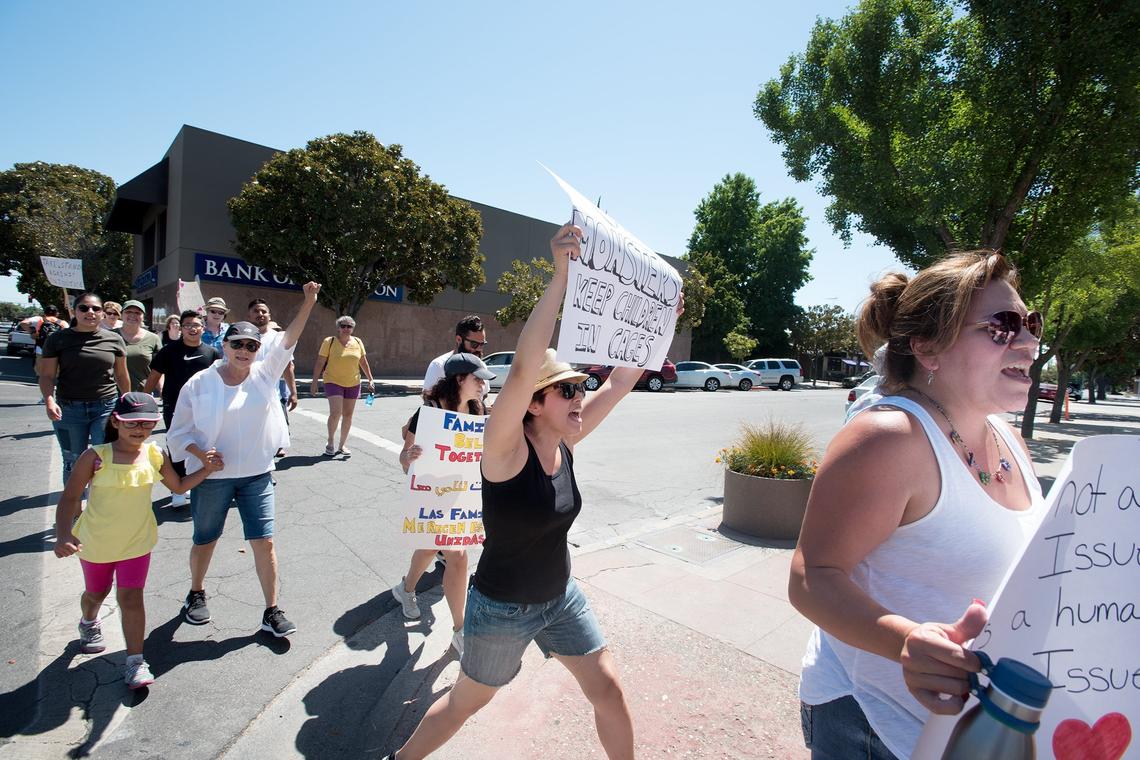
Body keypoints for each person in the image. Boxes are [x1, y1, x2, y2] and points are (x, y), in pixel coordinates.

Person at [391, 225, 678, 760]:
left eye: (579, 387)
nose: (580, 396)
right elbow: (524, 367)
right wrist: (561, 277)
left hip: (561, 597)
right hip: (502, 610)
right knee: (464, 705)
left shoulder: (567, 436)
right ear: (533, 403)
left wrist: (657, 323)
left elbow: (618, 381)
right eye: (567, 390)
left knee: (608, 690)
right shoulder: (503, 450)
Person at [790, 251, 1047, 760]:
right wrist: (906, 641)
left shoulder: (1008, 436)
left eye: (1031, 324)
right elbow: (811, 576)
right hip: (875, 725)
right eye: (1003, 326)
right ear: (928, 348)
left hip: (976, 730)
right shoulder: (890, 438)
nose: (1030, 342)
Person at [166, 282, 321, 637]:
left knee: (264, 542)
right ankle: (195, 593)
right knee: (205, 539)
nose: (245, 351)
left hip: (257, 476)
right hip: (212, 478)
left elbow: (290, 339)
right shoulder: (200, 384)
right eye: (238, 344)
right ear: (225, 345)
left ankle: (271, 610)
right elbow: (178, 433)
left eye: (252, 345)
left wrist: (309, 301)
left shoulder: (265, 375)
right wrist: (200, 455)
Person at [53, 392, 222, 689]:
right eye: (132, 422)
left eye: (147, 423)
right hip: (96, 542)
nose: (139, 429)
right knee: (97, 593)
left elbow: (179, 485)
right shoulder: (95, 457)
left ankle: (135, 661)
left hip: (136, 542)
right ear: (116, 421)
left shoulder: (155, 454)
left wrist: (206, 469)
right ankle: (89, 621)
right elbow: (69, 497)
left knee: (131, 598)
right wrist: (64, 534)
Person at [392, 352, 494, 658]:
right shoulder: (429, 412)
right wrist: (408, 458)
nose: (482, 386)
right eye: (477, 380)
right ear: (460, 379)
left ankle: (406, 590)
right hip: (432, 494)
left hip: (463, 496)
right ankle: (460, 629)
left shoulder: (478, 412)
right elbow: (404, 458)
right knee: (456, 556)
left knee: (433, 550)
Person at [39, 292, 131, 482]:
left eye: (96, 308)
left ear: (102, 313)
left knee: (105, 459)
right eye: (84, 308)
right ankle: (74, 509)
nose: (90, 312)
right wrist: (49, 400)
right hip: (68, 410)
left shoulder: (114, 340)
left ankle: (98, 507)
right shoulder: (57, 340)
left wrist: (127, 401)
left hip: (105, 409)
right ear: (74, 311)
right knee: (73, 462)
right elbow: (47, 375)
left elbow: (121, 375)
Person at [144, 310, 220, 507]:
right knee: (177, 445)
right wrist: (144, 401)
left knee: (203, 444)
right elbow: (153, 377)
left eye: (196, 325)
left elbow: (219, 381)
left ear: (203, 328)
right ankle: (177, 488)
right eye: (187, 325)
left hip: (204, 409)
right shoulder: (169, 351)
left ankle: (200, 483)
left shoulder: (211, 353)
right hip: (174, 406)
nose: (192, 329)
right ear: (181, 328)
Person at [310, 316, 375, 457]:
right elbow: (320, 362)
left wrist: (370, 379)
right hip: (333, 381)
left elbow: (363, 362)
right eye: (343, 326)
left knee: (348, 414)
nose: (346, 328)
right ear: (338, 328)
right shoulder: (329, 341)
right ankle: (330, 441)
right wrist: (314, 382)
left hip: (353, 382)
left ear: (352, 328)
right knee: (336, 412)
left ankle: (342, 445)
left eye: (349, 326)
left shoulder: (358, 342)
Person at [422, 315, 487, 392]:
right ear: (459, 339)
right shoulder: (439, 365)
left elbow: (484, 397)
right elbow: (428, 400)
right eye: (474, 344)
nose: (479, 349)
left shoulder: (481, 366)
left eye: (482, 344)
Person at [116, 300, 162, 393]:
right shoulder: (109, 336)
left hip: (142, 394)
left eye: (137, 313)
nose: (133, 315)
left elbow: (158, 369)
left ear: (143, 317)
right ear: (121, 315)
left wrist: (162, 390)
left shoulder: (153, 338)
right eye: (128, 312)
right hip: (111, 397)